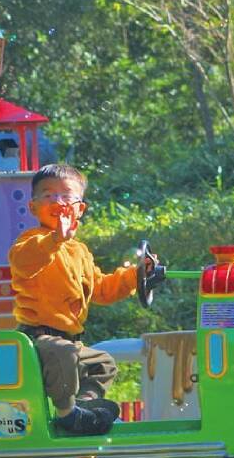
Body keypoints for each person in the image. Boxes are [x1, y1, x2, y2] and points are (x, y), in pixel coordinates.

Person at [9, 163, 154, 436]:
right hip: (37, 337)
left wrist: (136, 277)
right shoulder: (31, 241)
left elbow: (101, 289)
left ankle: (85, 406)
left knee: (104, 363)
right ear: (33, 207)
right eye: (48, 195)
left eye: (66, 196)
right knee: (63, 353)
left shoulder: (81, 252)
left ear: (80, 209)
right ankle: (66, 412)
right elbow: (25, 261)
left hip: (70, 340)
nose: (57, 202)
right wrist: (55, 239)